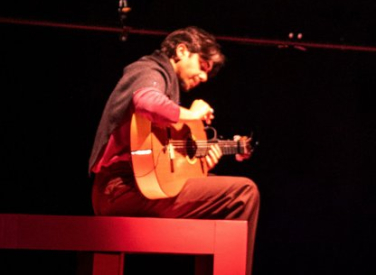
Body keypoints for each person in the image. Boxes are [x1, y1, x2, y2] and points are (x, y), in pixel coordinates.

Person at [88, 26, 260, 275]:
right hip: (120, 188)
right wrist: (190, 114)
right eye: (202, 65)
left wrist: (202, 165)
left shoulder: (168, 88)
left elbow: (162, 165)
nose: (203, 77)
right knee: (244, 193)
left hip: (139, 187)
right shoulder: (149, 69)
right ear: (181, 50)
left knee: (226, 194)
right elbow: (146, 102)